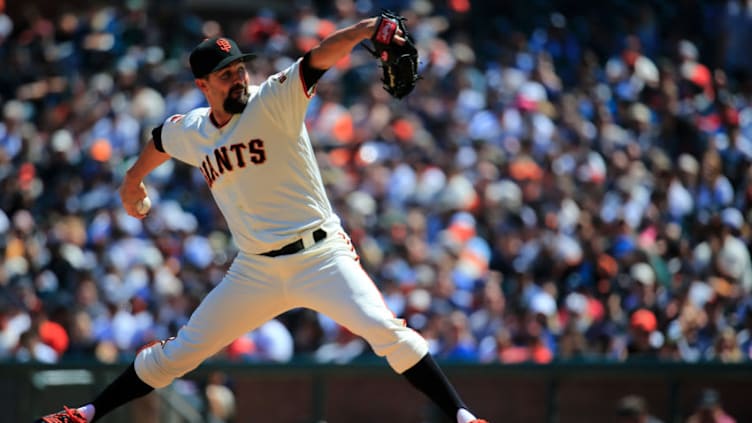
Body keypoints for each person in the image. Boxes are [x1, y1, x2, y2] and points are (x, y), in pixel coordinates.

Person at [35, 15, 488, 423]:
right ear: (203, 86)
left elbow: (318, 58)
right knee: (180, 353)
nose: (238, 79)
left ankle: (464, 418)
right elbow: (159, 139)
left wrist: (367, 29)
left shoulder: (272, 99)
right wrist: (131, 182)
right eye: (226, 75)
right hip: (255, 268)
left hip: (321, 254)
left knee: (388, 333)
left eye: (240, 70)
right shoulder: (191, 130)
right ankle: (87, 414)